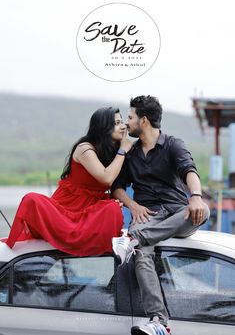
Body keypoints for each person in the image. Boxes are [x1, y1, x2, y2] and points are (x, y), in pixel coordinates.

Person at [111, 96, 210, 335]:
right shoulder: (130, 153)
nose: (127, 122)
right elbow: (116, 188)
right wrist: (132, 205)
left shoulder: (174, 144)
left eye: (131, 117)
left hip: (178, 213)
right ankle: (159, 321)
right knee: (141, 255)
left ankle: (135, 239)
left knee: (203, 210)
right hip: (148, 216)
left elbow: (190, 171)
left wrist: (195, 196)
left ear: (144, 121)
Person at [6, 107, 133, 256]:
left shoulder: (113, 151)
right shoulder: (85, 148)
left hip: (90, 211)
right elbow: (106, 178)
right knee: (32, 199)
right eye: (117, 123)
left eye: (122, 121)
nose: (123, 126)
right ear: (104, 127)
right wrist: (122, 150)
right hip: (66, 210)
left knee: (112, 208)